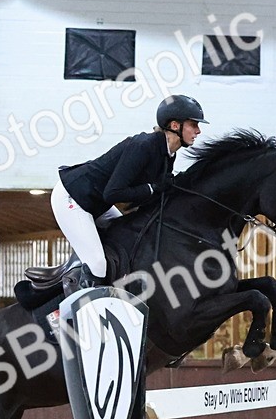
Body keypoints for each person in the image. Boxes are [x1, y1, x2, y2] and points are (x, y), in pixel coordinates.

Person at [53, 95, 207, 294]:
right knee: (98, 263)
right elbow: (113, 193)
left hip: (96, 202)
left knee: (128, 240)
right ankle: (80, 317)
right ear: (175, 125)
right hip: (74, 198)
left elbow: (153, 194)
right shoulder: (143, 146)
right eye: (193, 124)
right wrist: (152, 188)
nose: (198, 131)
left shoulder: (168, 154)